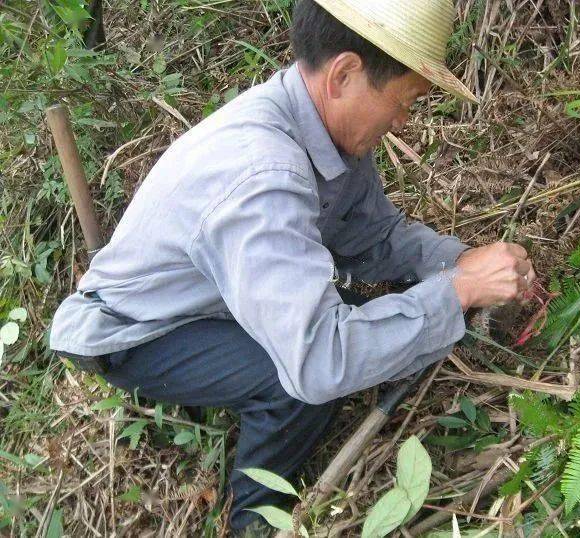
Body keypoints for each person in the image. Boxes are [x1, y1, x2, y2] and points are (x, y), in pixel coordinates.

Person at [50, 0, 535, 534]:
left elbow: (371, 234)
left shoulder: (322, 125)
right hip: (138, 328)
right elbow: (318, 362)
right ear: (344, 74)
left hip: (208, 296)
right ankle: (253, 521)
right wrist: (456, 293)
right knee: (290, 383)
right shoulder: (262, 175)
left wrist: (457, 261)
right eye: (404, 102)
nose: (404, 122)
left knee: (363, 320)